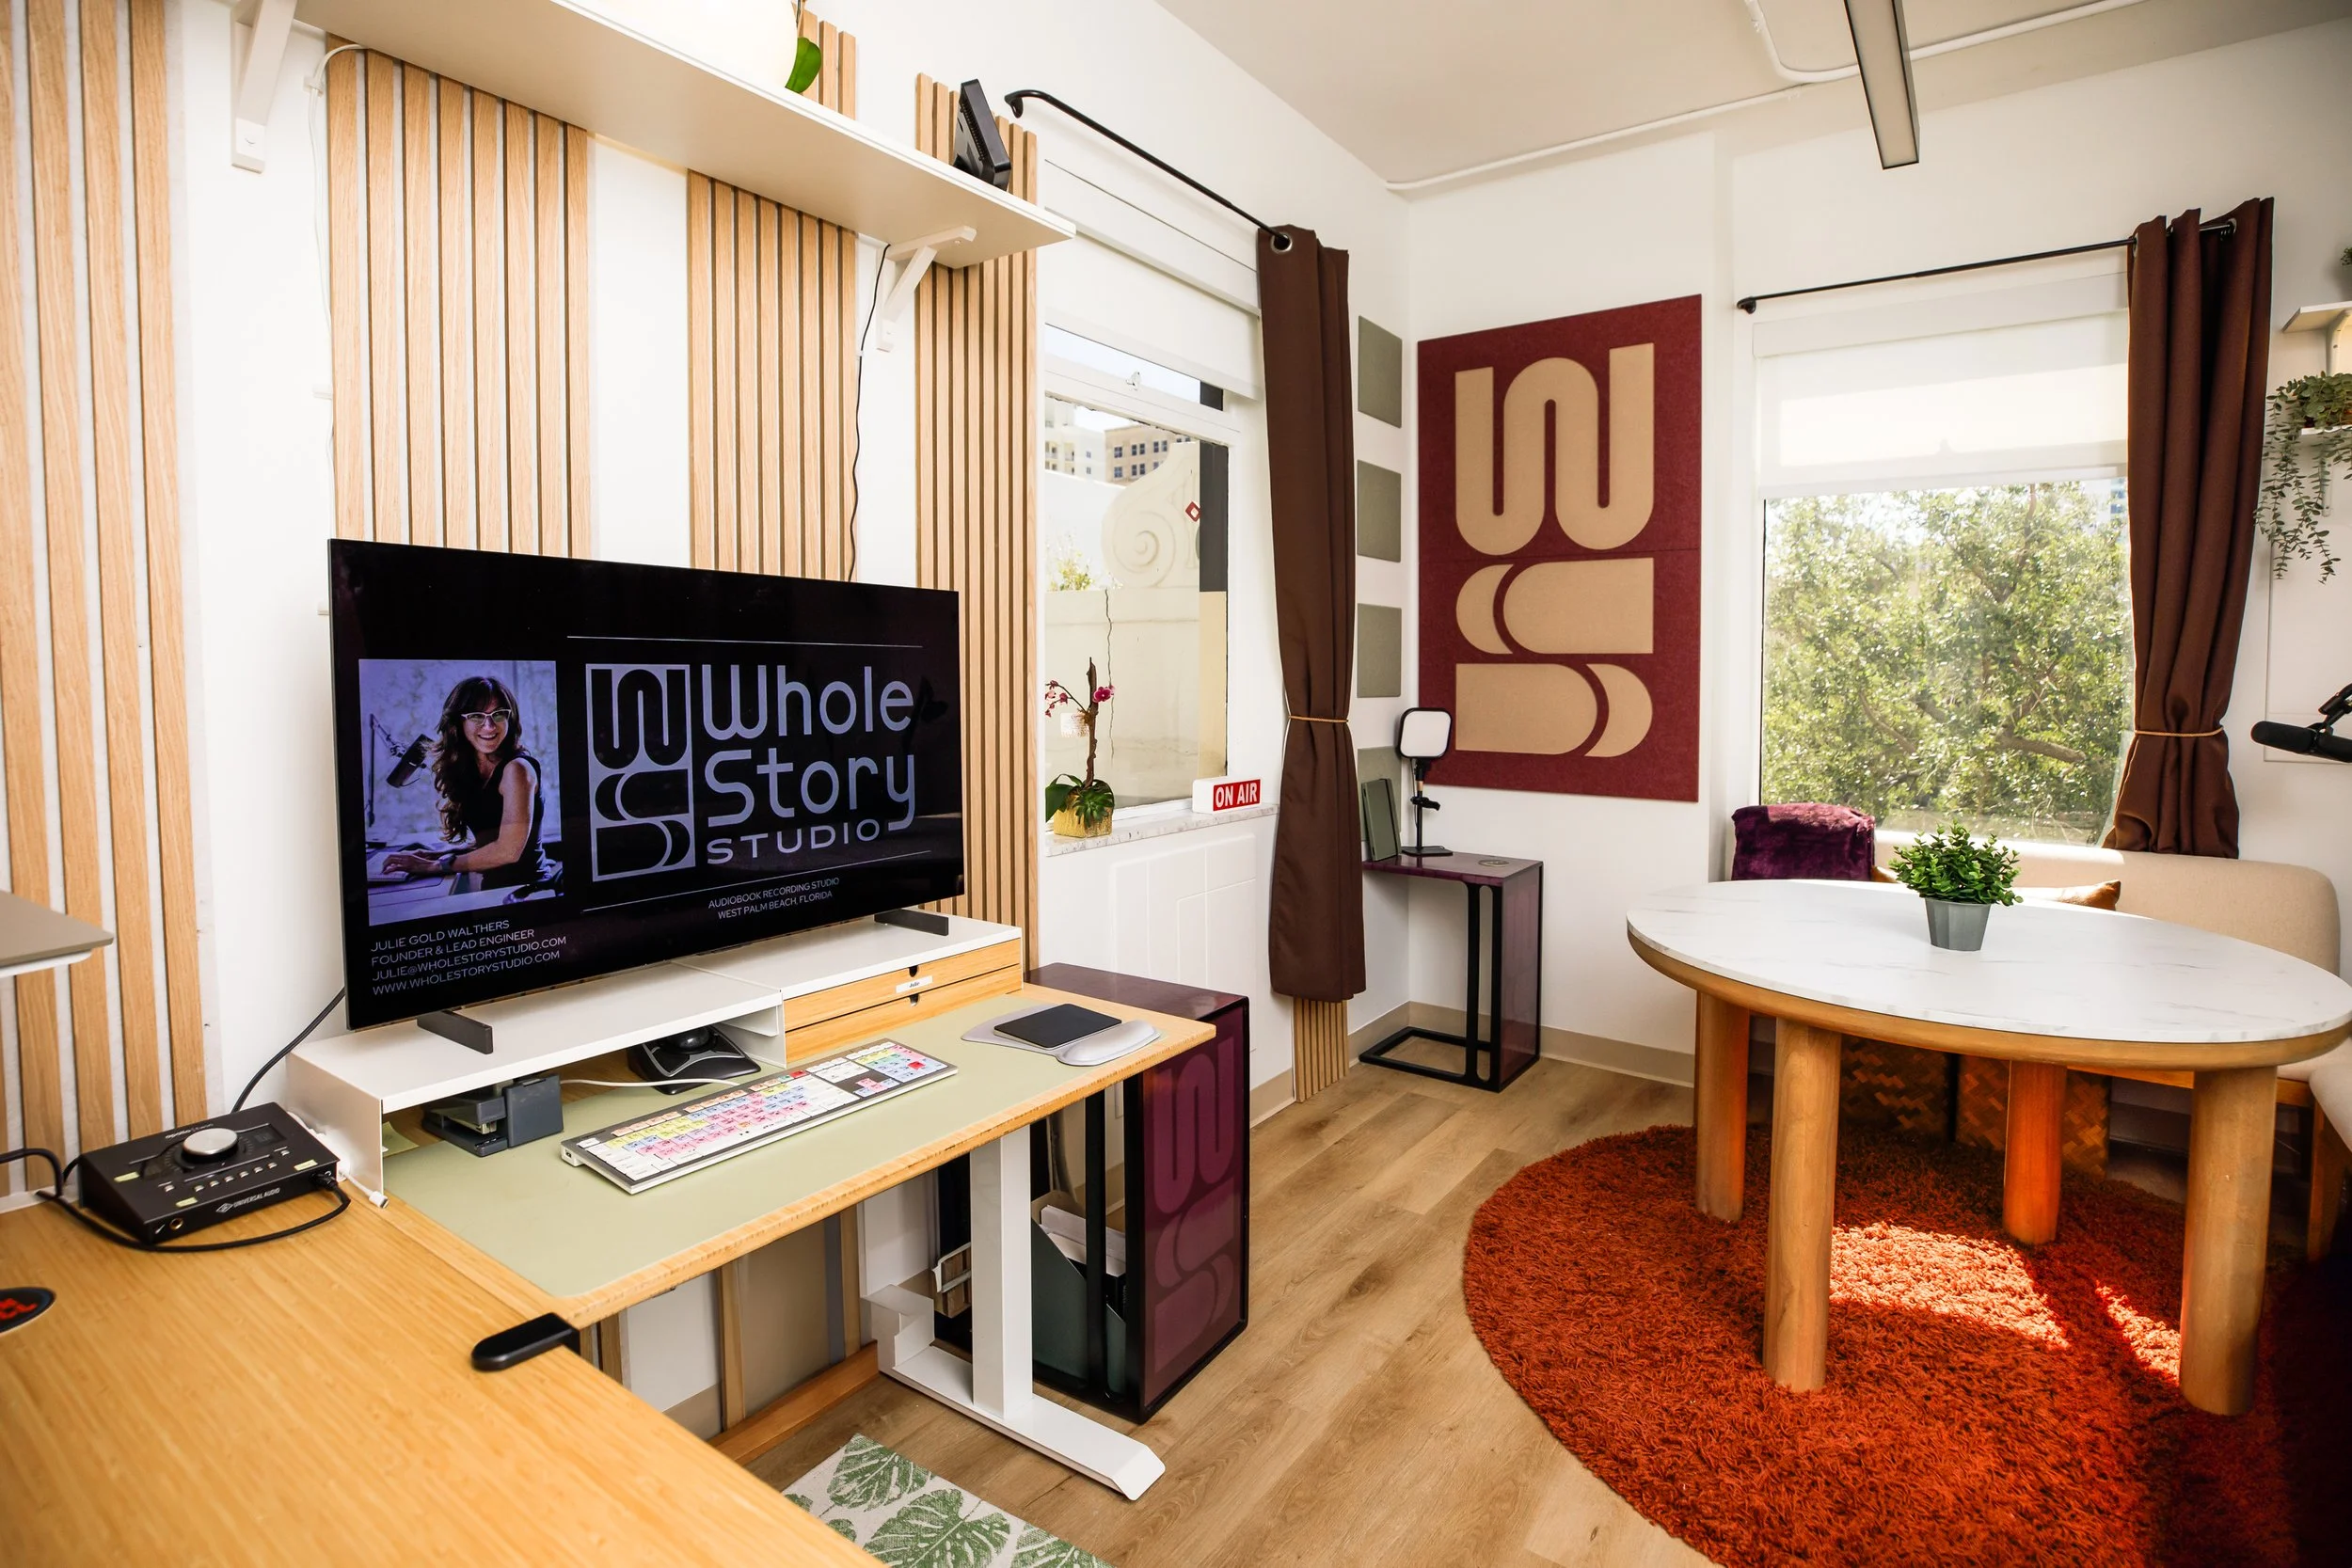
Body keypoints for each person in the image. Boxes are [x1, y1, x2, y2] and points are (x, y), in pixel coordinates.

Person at [382, 674, 554, 890]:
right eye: (476, 716)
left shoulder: (517, 769)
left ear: (509, 719)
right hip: (496, 890)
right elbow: (489, 842)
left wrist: (433, 866)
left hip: (526, 892)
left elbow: (508, 850)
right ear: (458, 722)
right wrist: (436, 855)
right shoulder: (472, 767)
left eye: (498, 714)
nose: (489, 726)